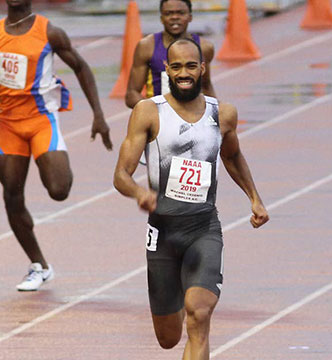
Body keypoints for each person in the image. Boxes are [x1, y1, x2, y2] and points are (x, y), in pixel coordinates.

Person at [113, 38, 269, 359]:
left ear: (202, 68)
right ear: (167, 70)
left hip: (203, 229)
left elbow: (234, 156)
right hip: (163, 233)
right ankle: (178, 299)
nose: (184, 72)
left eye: (190, 66)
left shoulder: (222, 115)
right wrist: (140, 192)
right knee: (168, 337)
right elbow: (121, 176)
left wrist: (254, 197)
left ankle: (193, 299)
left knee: (199, 314)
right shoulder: (148, 112)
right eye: (176, 66)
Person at [0, 0, 113, 291]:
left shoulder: (50, 32)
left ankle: (58, 159)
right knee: (11, 196)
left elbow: (81, 67)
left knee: (59, 189)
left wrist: (98, 115)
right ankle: (38, 265)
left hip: (41, 120)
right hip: (8, 125)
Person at [125, 0, 215, 109]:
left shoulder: (204, 47)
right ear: (162, 18)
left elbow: (206, 86)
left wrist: (216, 116)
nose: (174, 17)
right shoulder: (147, 46)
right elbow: (132, 94)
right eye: (168, 13)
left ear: (190, 17)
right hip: (159, 119)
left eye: (180, 13)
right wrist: (155, 112)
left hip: (193, 117)